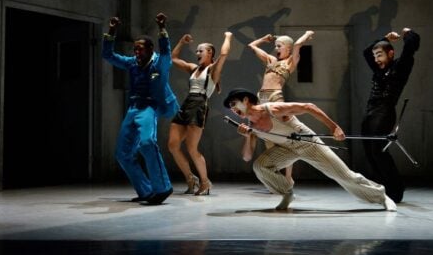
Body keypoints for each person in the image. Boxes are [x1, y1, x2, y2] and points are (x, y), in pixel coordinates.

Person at [222, 88, 397, 212]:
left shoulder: (273, 109)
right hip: (285, 149)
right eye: (230, 107)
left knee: (343, 175)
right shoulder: (251, 126)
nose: (232, 109)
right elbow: (246, 157)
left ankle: (381, 196)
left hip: (307, 143)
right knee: (260, 166)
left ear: (245, 100)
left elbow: (308, 107)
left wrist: (334, 127)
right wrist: (247, 137)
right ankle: (287, 192)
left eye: (233, 104)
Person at [102, 13, 179, 205]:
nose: (136, 52)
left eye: (140, 49)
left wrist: (162, 29)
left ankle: (162, 188)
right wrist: (112, 31)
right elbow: (108, 55)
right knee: (122, 153)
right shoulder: (132, 63)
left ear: (150, 49)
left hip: (149, 107)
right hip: (133, 108)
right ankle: (145, 191)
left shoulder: (159, 63)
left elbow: (167, 52)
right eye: (135, 49)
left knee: (146, 143)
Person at [168, 32, 233, 195]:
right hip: (187, 103)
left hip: (199, 105)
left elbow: (224, 53)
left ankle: (205, 182)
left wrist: (228, 36)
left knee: (191, 148)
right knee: (173, 145)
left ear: (210, 53)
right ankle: (191, 178)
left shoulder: (213, 70)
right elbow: (174, 59)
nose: (197, 54)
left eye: (200, 51)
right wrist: (181, 42)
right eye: (196, 51)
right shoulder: (193, 68)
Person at [247, 30, 314, 185]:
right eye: (276, 46)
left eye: (280, 46)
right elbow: (251, 45)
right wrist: (264, 38)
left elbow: (297, 44)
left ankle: (289, 177)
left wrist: (306, 34)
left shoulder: (290, 62)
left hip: (275, 97)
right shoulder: (270, 60)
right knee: (267, 137)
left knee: (283, 137)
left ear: (288, 49)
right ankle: (275, 174)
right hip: (261, 98)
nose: (276, 49)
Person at [361, 28, 420, 203]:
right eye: (375, 56)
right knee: (369, 152)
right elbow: (366, 53)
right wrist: (384, 38)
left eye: (380, 55)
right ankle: (383, 188)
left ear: (391, 53)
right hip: (370, 111)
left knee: (378, 151)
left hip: (385, 112)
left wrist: (407, 33)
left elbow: (411, 45)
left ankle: (396, 190)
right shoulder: (379, 69)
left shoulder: (401, 66)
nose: (376, 59)